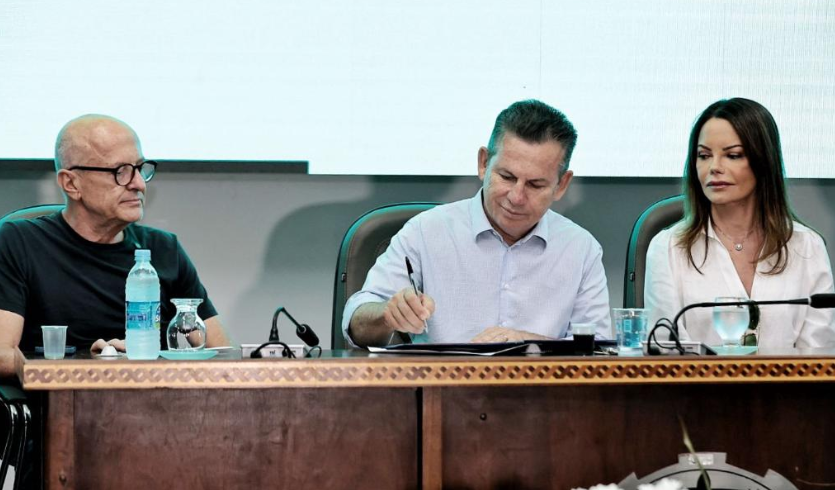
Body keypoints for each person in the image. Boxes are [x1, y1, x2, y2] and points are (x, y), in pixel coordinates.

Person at [343, 99, 611, 347]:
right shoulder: (425, 231)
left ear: (561, 185)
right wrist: (388, 314)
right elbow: (356, 321)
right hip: (443, 382)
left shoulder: (581, 249)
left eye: (535, 185)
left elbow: (599, 349)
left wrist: (529, 343)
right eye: (506, 177)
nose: (516, 197)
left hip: (543, 384)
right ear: (483, 163)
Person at [0, 114, 232, 376]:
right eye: (120, 172)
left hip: (158, 394)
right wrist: (90, 363)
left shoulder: (163, 249)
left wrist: (149, 358)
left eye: (141, 169)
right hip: (64, 398)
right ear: (71, 183)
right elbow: (2, 355)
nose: (139, 184)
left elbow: (223, 356)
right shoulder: (19, 242)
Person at [644, 98, 834, 349]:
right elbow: (665, 349)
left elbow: (818, 355)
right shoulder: (668, 248)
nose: (714, 167)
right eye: (704, 155)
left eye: (732, 155)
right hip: (697, 377)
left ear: (763, 161)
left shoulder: (807, 246)